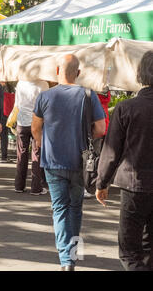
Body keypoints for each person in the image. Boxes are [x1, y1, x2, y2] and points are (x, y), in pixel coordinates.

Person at [31, 54, 106, 271]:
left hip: (53, 161)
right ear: (79, 73)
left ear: (57, 71)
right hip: (80, 162)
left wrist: (44, 144)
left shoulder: (45, 96)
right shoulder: (88, 95)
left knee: (60, 209)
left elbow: (36, 128)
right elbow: (101, 129)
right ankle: (72, 255)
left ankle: (66, 261)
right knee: (75, 208)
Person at [96, 51, 153, 271]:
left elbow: (111, 152)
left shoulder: (126, 108)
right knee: (149, 248)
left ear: (141, 74)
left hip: (134, 184)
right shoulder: (126, 108)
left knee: (129, 249)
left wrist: (102, 183)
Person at [14, 79, 49, 195]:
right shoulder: (44, 85)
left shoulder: (20, 83)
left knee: (21, 153)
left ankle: (19, 185)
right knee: (37, 154)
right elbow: (47, 106)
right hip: (37, 123)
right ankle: (36, 187)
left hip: (21, 122)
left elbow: (17, 104)